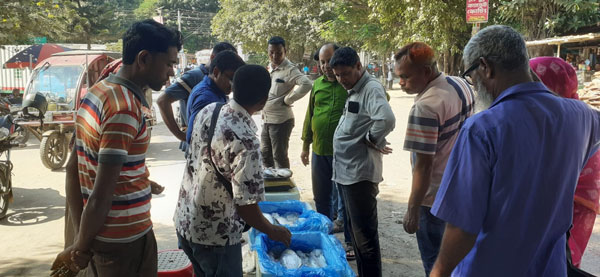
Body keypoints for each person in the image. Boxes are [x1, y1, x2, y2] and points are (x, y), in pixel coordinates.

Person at [430, 25, 600, 277]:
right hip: (550, 269)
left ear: (485, 67)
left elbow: (462, 226)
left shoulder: (481, 128)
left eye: (471, 74)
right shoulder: (582, 116)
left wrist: (438, 273)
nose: (474, 84)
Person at [51, 19, 181, 276]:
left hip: (104, 240)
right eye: (168, 63)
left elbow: (74, 170)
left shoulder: (98, 91)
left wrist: (80, 237)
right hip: (125, 244)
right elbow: (101, 195)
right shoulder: (125, 108)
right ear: (143, 58)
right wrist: (80, 247)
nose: (171, 73)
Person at [174, 64, 292, 276]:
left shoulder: (209, 110)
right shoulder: (247, 141)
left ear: (233, 88)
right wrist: (273, 230)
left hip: (186, 220)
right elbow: (246, 205)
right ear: (263, 101)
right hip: (216, 237)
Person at [395, 42, 474, 276]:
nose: (401, 83)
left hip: (433, 201)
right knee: (456, 260)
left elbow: (423, 165)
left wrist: (412, 209)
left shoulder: (425, 107)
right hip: (460, 187)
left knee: (436, 264)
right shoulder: (460, 83)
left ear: (426, 72)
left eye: (405, 77)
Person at [331, 46, 396, 277]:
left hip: (360, 174)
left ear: (359, 66)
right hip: (347, 172)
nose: (341, 80)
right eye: (337, 75)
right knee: (357, 236)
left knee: (365, 238)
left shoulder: (370, 88)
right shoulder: (356, 89)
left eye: (345, 74)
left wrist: (371, 138)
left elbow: (386, 119)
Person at [530, 56, 600, 268]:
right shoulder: (575, 114)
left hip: (569, 211)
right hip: (570, 209)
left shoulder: (562, 123)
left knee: (555, 262)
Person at [300, 43, 354, 258]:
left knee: (345, 198)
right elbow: (309, 115)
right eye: (322, 62)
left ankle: (350, 242)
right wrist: (305, 145)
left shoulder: (348, 84)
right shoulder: (317, 86)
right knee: (321, 197)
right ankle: (326, 238)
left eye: (329, 61)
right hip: (320, 150)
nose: (325, 66)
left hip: (344, 154)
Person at [157, 42, 236, 151]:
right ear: (213, 58)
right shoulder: (195, 76)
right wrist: (180, 134)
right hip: (199, 148)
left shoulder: (216, 82)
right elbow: (162, 101)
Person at [261, 36, 312, 169]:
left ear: (285, 51)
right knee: (265, 154)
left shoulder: (290, 70)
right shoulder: (270, 68)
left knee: (279, 156)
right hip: (267, 119)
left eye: (279, 53)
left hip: (281, 121)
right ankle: (270, 184)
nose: (274, 56)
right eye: (271, 52)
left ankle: (283, 185)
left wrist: (288, 99)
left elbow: (306, 84)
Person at [185, 50, 245, 144]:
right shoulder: (206, 98)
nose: (233, 86)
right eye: (231, 79)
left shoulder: (217, 92)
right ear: (216, 72)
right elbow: (192, 137)